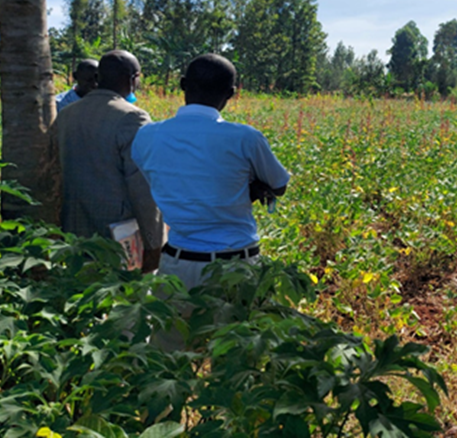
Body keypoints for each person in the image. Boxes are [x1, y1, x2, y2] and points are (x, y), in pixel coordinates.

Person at [131, 54, 290, 348]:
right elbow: (279, 185)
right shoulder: (245, 138)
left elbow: (161, 180)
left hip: (178, 264)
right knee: (234, 362)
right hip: (236, 267)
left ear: (182, 85)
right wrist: (250, 188)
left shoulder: (147, 137)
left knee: (168, 359)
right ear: (231, 94)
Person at [50, 50, 163, 272]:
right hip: (117, 238)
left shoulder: (66, 114)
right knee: (120, 299)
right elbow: (142, 188)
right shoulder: (133, 117)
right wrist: (154, 243)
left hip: (72, 232)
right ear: (132, 79)